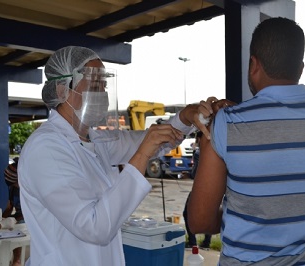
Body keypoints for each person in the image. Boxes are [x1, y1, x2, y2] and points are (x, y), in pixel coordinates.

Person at [17, 46, 216, 266]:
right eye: (94, 85)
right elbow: (94, 227)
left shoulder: (94, 140)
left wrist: (186, 117)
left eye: (103, 85)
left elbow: (148, 139)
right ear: (63, 90)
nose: (101, 94)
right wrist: (142, 155)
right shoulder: (46, 148)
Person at [188, 17, 305, 265]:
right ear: (300, 68)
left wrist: (243, 216)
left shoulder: (228, 124)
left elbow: (199, 220)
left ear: (253, 64)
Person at [182, 131, 212, 249]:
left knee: (187, 213)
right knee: (210, 214)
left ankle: (192, 242)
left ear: (199, 139)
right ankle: (206, 243)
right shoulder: (213, 151)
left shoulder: (198, 153)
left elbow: (196, 174)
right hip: (213, 189)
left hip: (200, 189)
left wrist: (187, 174)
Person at [2, 157, 24, 266]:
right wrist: (2, 218)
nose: (14, 187)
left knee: (17, 228)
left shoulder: (27, 189)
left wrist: (12, 220)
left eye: (15, 184)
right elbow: (9, 207)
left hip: (27, 219)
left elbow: (27, 213)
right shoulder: (13, 187)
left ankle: (17, 261)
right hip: (18, 217)